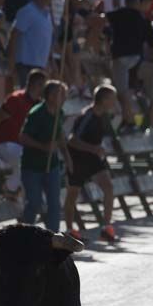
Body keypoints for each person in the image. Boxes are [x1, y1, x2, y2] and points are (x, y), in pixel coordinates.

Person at [63, 84, 117, 243]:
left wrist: (99, 150)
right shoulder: (87, 115)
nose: (114, 102)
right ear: (104, 99)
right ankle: (69, 230)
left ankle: (106, 228)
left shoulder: (104, 116)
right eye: (112, 99)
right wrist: (94, 148)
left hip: (93, 159)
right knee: (72, 194)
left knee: (108, 187)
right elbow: (72, 141)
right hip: (77, 159)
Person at [19, 78, 67, 232]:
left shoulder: (60, 112)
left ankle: (53, 236)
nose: (64, 98)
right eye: (62, 95)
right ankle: (25, 234)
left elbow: (59, 136)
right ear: (51, 96)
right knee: (34, 202)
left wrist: (67, 157)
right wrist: (43, 146)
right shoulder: (37, 113)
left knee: (54, 202)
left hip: (51, 164)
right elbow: (22, 137)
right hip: (32, 166)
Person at [104, 0, 153, 131]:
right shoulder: (143, 18)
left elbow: (103, 21)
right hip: (137, 60)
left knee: (122, 92)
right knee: (129, 90)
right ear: (137, 3)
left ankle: (130, 121)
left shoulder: (117, 14)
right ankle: (130, 116)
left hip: (121, 58)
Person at [0, 67, 44, 196]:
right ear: (35, 85)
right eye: (42, 85)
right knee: (28, 160)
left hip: (22, 146)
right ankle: (9, 188)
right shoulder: (16, 99)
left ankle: (23, 197)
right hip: (6, 143)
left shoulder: (39, 105)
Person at [7, 0, 51, 88]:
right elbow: (14, 35)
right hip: (25, 64)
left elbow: (46, 40)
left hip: (40, 65)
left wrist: (49, 62)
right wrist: (11, 59)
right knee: (26, 95)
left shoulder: (47, 14)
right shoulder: (27, 11)